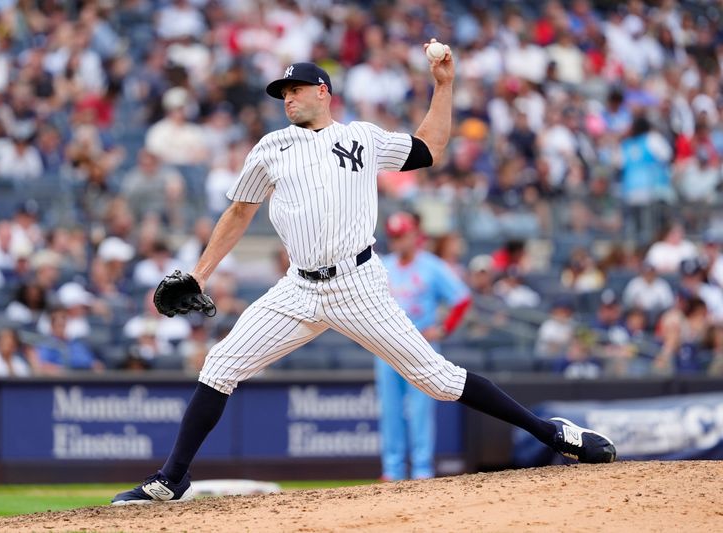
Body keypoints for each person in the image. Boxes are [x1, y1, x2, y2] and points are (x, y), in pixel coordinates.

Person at [113, 45, 616, 505]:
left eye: (295, 90)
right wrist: (200, 274)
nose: (287, 99)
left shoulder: (360, 137)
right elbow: (239, 213)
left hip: (357, 285)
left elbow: (429, 149)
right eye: (281, 93)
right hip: (298, 288)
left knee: (438, 380)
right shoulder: (269, 148)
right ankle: (171, 478)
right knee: (220, 365)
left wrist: (443, 86)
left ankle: (554, 434)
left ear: (322, 92)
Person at [376, 211, 471, 481]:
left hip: (421, 349)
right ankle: (392, 471)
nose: (397, 241)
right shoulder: (382, 265)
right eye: (393, 236)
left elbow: (461, 299)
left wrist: (443, 329)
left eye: (402, 235)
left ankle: (421, 470)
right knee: (390, 411)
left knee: (420, 412)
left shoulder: (432, 266)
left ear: (414, 235)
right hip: (387, 348)